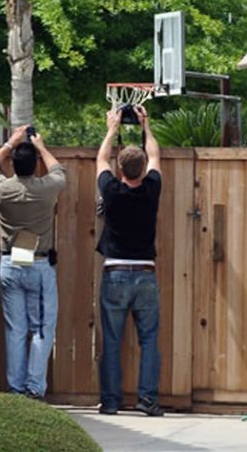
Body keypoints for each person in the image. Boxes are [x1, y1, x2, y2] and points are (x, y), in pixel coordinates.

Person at [0, 125, 67, 399]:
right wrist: (42, 147)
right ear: (35, 165)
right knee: (41, 328)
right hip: (38, 265)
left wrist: (10, 143)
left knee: (15, 329)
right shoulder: (46, 189)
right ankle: (33, 388)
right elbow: (59, 172)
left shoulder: (2, 189)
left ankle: (16, 389)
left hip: (10, 263)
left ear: (14, 166)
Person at [95, 105, 164, 416]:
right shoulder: (152, 189)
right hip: (146, 274)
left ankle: (111, 402)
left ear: (121, 169)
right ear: (142, 169)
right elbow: (156, 156)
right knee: (149, 340)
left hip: (115, 273)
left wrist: (112, 129)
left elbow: (100, 159)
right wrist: (146, 127)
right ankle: (148, 399)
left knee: (111, 340)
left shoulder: (110, 191)